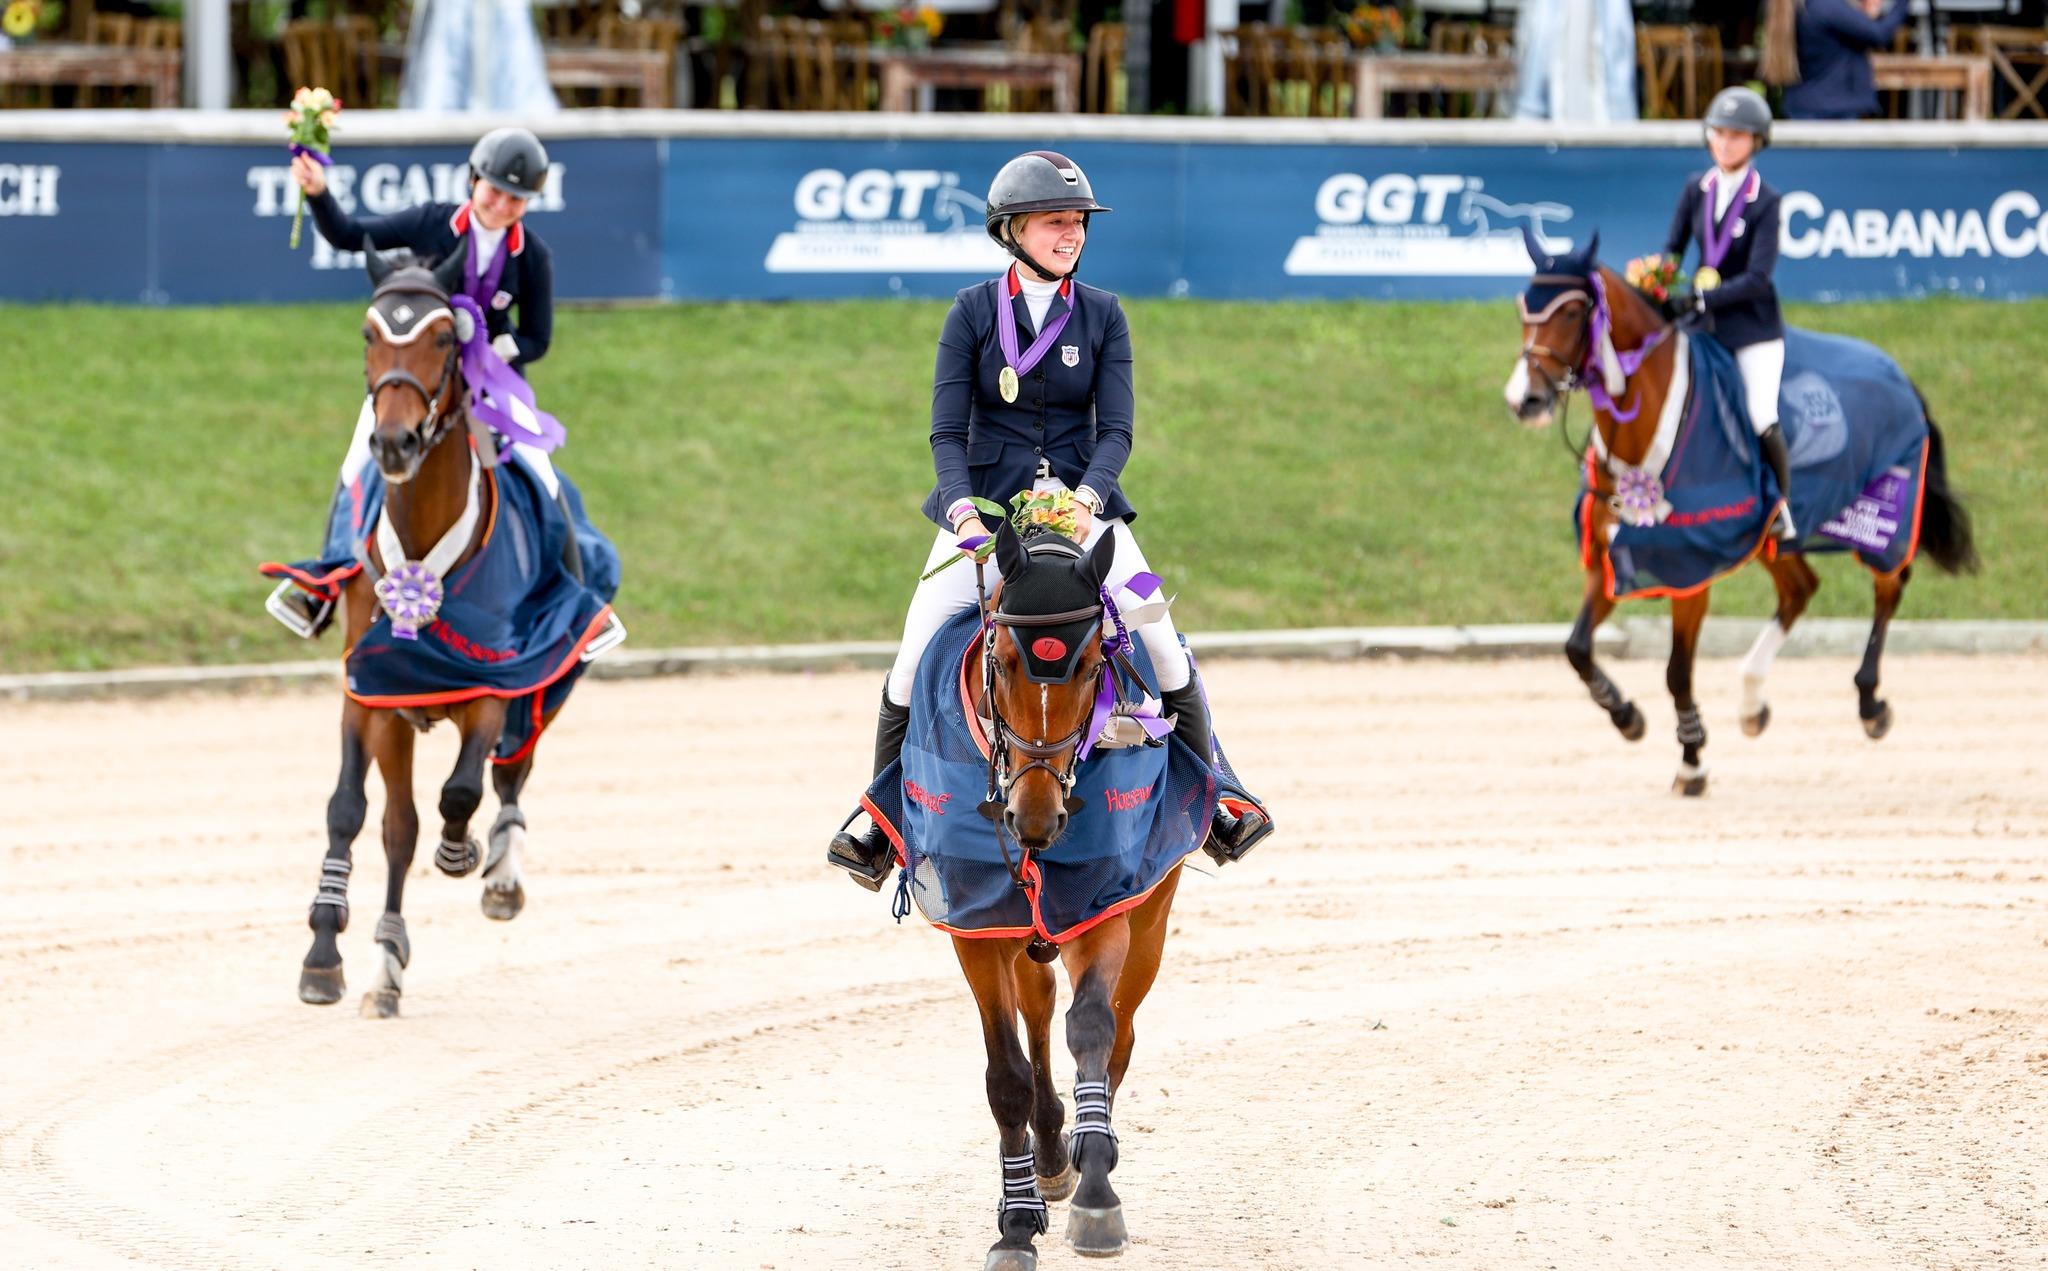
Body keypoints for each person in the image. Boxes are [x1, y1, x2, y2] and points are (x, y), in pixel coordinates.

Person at [827, 149, 1267, 889]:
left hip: (1086, 514)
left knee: (1158, 632)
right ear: (1012, 229)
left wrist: (1090, 498)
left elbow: (1117, 430)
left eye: (1079, 223)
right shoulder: (970, 311)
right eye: (1057, 221)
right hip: (985, 517)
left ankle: (1220, 791)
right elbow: (945, 429)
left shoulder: (1103, 314)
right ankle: (881, 820)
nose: (1073, 234)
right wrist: (961, 507)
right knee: (911, 653)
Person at [268, 126, 557, 637]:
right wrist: (317, 193)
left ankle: (567, 596)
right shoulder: (430, 223)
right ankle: (325, 584)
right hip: (417, 382)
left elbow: (538, 336)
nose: (503, 204)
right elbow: (350, 235)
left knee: (545, 475)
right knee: (356, 462)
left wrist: (491, 350)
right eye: (494, 190)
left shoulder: (531, 256)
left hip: (491, 387)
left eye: (517, 198)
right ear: (473, 181)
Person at [1665, 87, 1796, 541]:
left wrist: (1700, 300)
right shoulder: (1695, 188)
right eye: (1718, 134)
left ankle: (1779, 504)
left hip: (1752, 328)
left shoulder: (1766, 201)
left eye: (1736, 136)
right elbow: (1672, 250)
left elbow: (1758, 277)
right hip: (1702, 326)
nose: (1724, 144)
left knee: (1760, 412)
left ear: (1756, 142)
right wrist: (1656, 283)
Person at [1763, 0, 1911, 121]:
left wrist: (1867, 15)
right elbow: (1879, 34)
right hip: (1834, 110)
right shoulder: (1825, 6)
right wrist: (1902, 4)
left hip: (1803, 105)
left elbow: (1850, 28)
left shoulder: (1798, 6)